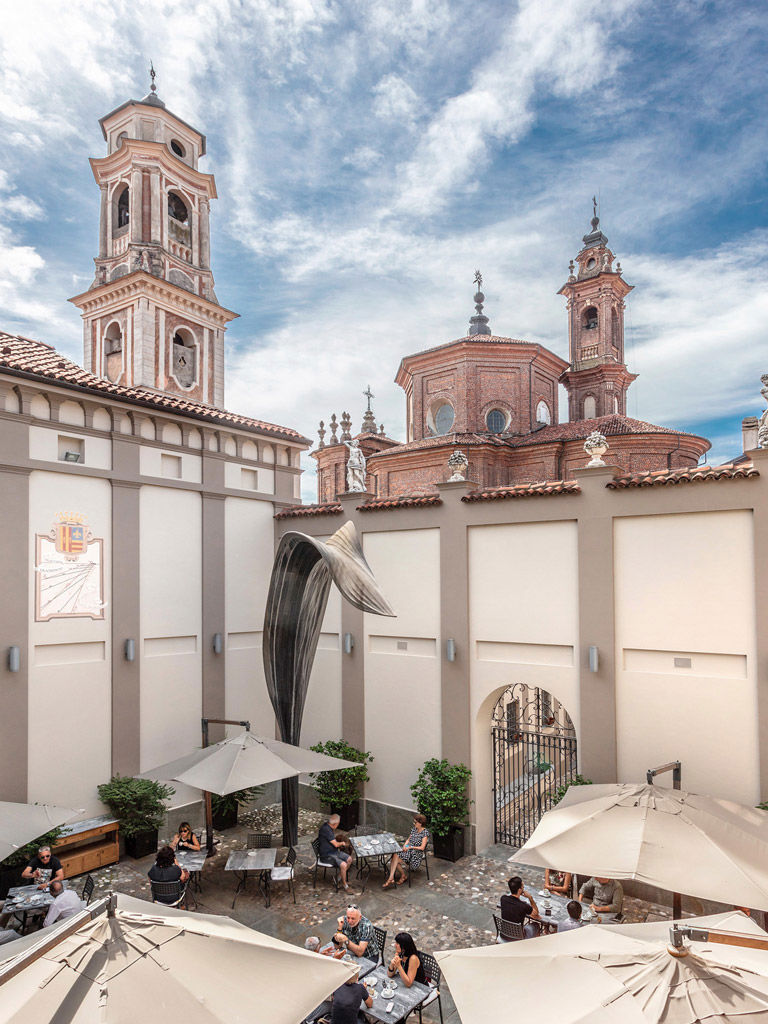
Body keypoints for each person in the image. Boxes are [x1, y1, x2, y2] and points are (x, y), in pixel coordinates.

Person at [383, 813, 430, 889]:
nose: (414, 823)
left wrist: (410, 847)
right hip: (409, 850)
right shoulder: (414, 829)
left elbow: (422, 848)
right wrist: (405, 845)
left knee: (394, 858)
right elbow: (409, 839)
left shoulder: (424, 833)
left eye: (415, 822)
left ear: (420, 823)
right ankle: (395, 877)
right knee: (395, 855)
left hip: (416, 855)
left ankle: (397, 877)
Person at [318, 814, 354, 892]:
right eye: (338, 823)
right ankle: (345, 885)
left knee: (349, 859)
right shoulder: (326, 830)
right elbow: (336, 844)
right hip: (326, 855)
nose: (338, 825)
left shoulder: (328, 826)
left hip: (333, 851)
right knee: (343, 865)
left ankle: (337, 879)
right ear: (335, 824)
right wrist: (343, 843)